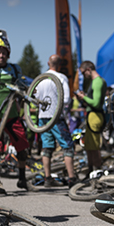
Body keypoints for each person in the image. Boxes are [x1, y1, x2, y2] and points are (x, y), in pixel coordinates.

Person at [0, 29, 37, 193]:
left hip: (12, 114)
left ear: (8, 53)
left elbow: (21, 86)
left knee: (22, 147)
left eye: (4, 52)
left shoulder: (15, 69)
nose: (1, 55)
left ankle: (22, 179)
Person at [36, 54, 78, 188]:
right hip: (56, 117)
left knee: (47, 148)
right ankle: (72, 178)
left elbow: (36, 97)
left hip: (42, 117)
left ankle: (47, 178)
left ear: (48, 63)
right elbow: (66, 99)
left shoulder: (41, 79)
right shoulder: (61, 77)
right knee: (68, 147)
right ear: (59, 64)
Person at [75, 61, 107, 177]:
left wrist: (84, 97)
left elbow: (97, 103)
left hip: (95, 115)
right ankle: (91, 171)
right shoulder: (95, 82)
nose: (84, 76)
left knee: (94, 146)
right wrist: (85, 98)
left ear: (88, 69)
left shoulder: (97, 82)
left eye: (84, 73)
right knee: (89, 145)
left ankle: (96, 172)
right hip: (92, 115)